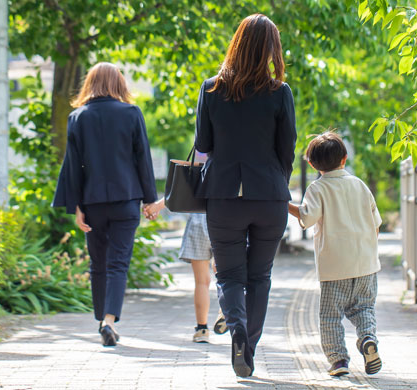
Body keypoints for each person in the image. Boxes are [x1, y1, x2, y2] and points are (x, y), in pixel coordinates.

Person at [194, 14, 296, 377]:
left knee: (230, 276)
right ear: (271, 49)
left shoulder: (210, 89)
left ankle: (236, 333)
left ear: (236, 44)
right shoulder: (280, 92)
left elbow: (203, 145)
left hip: (223, 196)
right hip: (269, 196)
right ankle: (248, 346)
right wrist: (274, 184)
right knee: (260, 277)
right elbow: (287, 151)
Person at [52, 62, 157, 347]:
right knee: (117, 264)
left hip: (93, 202)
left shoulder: (78, 117)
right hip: (126, 200)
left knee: (98, 264)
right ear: (118, 83)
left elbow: (73, 167)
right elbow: (142, 160)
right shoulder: (132, 113)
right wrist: (149, 201)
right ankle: (109, 320)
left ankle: (102, 322)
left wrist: (76, 206)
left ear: (90, 83)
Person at [287, 132, 383, 377]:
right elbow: (376, 224)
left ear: (311, 163)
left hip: (334, 267)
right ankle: (368, 339)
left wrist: (284, 204)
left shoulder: (317, 188)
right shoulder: (360, 185)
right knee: (364, 309)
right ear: (345, 158)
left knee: (331, 316)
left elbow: (307, 217)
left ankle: (338, 360)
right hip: (366, 265)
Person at [144, 199, 228, 342]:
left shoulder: (196, 174)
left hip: (198, 220)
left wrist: (156, 207)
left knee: (202, 281)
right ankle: (227, 309)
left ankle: (202, 329)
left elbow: (178, 190)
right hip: (225, 219)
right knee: (226, 275)